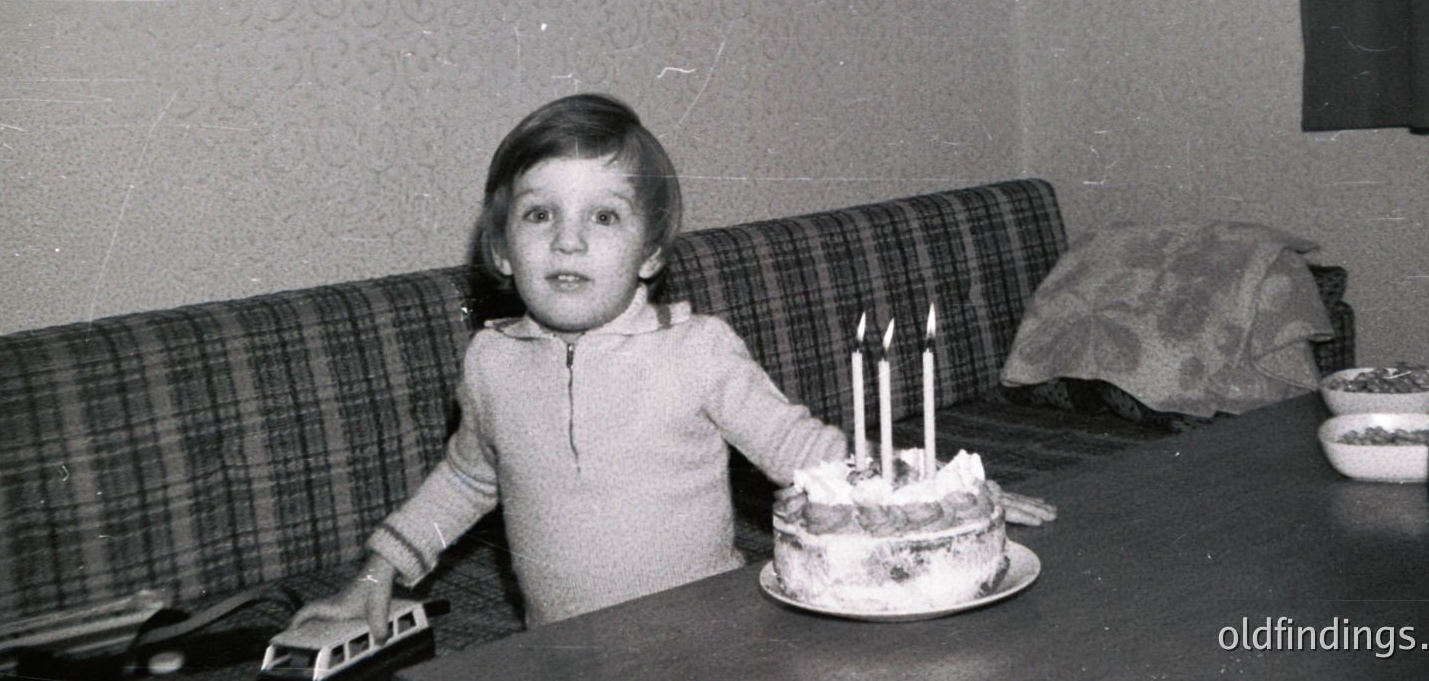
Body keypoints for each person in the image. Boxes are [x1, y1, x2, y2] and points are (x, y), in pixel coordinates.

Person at [294, 93, 1055, 637]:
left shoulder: (697, 349)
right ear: (499, 246)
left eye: (603, 215)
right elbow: (466, 477)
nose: (567, 240)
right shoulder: (490, 362)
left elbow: (802, 452)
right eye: (538, 214)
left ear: (651, 252)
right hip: (561, 650)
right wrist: (375, 574)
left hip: (708, 643)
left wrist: (932, 487)